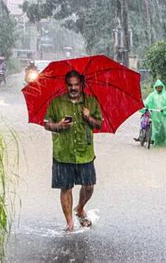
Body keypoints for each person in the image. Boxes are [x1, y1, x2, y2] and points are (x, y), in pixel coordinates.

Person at [44, 70, 102, 231]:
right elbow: (46, 124)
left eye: (76, 84)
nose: (73, 88)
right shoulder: (56, 103)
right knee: (66, 187)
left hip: (85, 152)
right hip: (63, 152)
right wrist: (58, 126)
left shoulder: (91, 102)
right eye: (70, 85)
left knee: (89, 185)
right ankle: (69, 222)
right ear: (66, 85)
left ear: (81, 85)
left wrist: (89, 117)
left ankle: (80, 208)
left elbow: (99, 125)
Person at [137, 79, 166, 147]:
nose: (159, 88)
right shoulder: (152, 95)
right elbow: (147, 102)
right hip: (155, 116)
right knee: (156, 131)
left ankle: (165, 143)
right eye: (157, 87)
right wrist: (142, 106)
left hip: (164, 116)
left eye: (160, 87)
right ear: (155, 87)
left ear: (162, 87)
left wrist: (164, 109)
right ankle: (155, 142)